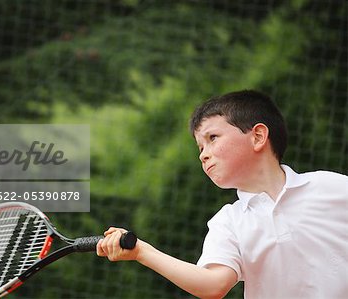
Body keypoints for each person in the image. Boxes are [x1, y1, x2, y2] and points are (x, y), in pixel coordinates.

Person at [96, 90, 348, 299]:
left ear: (258, 136)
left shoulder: (331, 187)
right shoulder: (228, 223)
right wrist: (142, 251)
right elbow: (213, 284)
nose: (203, 154)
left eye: (212, 138)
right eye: (200, 147)